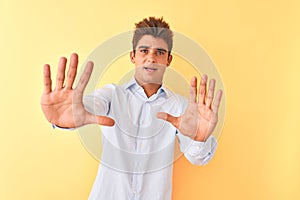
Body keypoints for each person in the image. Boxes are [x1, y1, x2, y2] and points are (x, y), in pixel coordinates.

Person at [41, 16, 222, 200]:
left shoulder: (180, 106)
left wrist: (199, 139)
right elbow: (86, 107)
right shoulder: (112, 95)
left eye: (159, 52)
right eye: (144, 50)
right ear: (133, 56)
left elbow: (198, 158)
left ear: (168, 60)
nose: (151, 58)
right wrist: (67, 114)